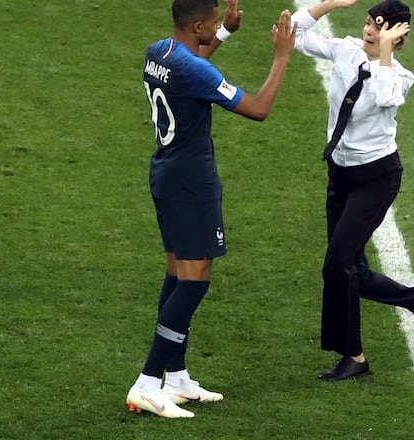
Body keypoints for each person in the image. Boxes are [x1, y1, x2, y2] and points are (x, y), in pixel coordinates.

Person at [126, 0, 297, 418]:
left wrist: (225, 35)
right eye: (217, 21)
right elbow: (258, 109)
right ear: (197, 24)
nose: (221, 23)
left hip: (165, 174)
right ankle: (148, 383)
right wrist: (282, 56)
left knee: (176, 272)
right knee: (195, 280)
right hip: (192, 184)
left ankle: (177, 378)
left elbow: (192, 68)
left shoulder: (158, 52)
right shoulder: (194, 69)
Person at [291, 0, 414, 381]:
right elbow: (293, 35)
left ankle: (354, 358)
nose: (368, 31)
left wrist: (386, 54)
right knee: (351, 270)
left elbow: (384, 96)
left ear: (396, 35)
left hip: (376, 178)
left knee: (337, 266)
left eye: (379, 27)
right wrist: (326, 5)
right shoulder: (345, 50)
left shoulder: (400, 76)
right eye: (368, 23)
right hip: (340, 173)